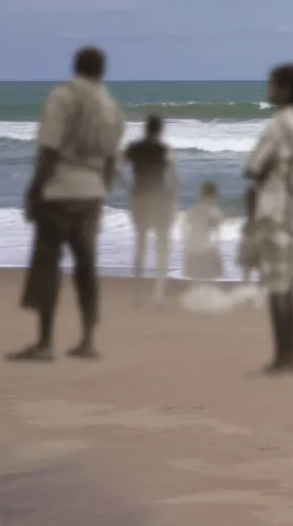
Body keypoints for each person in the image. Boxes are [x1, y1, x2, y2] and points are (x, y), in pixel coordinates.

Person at [10, 47, 124, 363]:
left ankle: (45, 343)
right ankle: (87, 340)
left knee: (48, 266)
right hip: (91, 194)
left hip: (59, 191)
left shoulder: (63, 96)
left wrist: (34, 190)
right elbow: (113, 160)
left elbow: (48, 150)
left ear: (76, 68)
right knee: (86, 268)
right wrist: (102, 190)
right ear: (102, 72)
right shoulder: (111, 107)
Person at [246, 62, 293, 376]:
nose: (267, 89)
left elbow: (255, 167)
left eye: (271, 84)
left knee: (276, 285)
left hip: (275, 210)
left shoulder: (277, 126)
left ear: (284, 90)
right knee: (289, 285)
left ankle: (281, 359)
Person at [125, 114, 179, 305]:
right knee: (161, 247)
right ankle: (158, 295)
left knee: (140, 245)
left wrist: (128, 187)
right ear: (160, 129)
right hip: (159, 200)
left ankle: (138, 294)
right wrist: (172, 199)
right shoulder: (163, 149)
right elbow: (174, 177)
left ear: (145, 128)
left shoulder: (134, 149)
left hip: (139, 199)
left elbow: (116, 168)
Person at [182, 181, 225, 285]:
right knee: (210, 279)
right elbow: (216, 235)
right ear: (214, 195)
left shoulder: (193, 210)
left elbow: (185, 228)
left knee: (195, 281)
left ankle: (196, 294)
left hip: (192, 250)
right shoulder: (214, 211)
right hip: (205, 251)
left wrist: (187, 246)